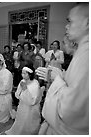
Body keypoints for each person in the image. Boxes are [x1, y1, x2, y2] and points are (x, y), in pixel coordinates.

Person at [36, 3, 89, 135]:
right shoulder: (83, 51)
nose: (66, 26)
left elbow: (72, 108)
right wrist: (59, 75)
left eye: (70, 21)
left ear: (87, 23)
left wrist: (58, 79)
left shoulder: (86, 55)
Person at [5, 65, 43, 135]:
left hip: (31, 109)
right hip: (22, 106)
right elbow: (17, 95)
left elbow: (33, 101)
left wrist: (25, 90)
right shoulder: (22, 81)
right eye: (22, 73)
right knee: (21, 121)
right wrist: (20, 91)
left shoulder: (35, 84)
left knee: (28, 122)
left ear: (30, 74)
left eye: (25, 73)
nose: (23, 75)